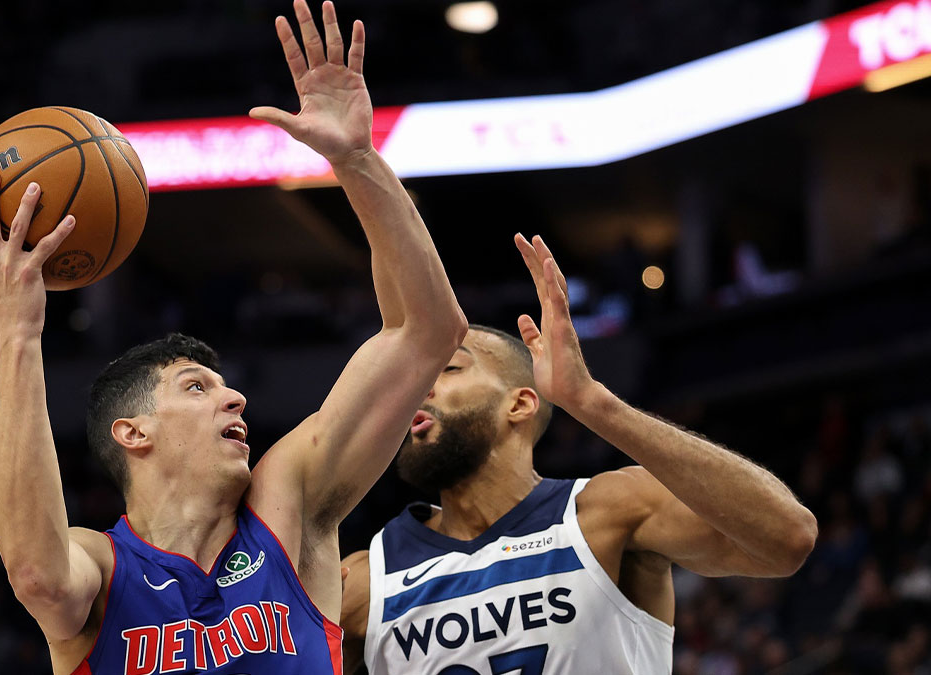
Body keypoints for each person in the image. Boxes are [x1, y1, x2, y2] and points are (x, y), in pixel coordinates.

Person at [0, 2, 467, 673]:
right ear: (132, 431)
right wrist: (16, 331)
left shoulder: (287, 507)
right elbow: (36, 574)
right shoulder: (102, 568)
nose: (236, 402)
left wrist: (357, 159)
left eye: (226, 388)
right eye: (197, 387)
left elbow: (425, 332)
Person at [338, 234, 819, 674]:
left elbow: (787, 537)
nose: (422, 387)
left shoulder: (608, 513)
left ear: (520, 403)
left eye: (449, 369)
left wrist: (592, 402)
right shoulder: (367, 579)